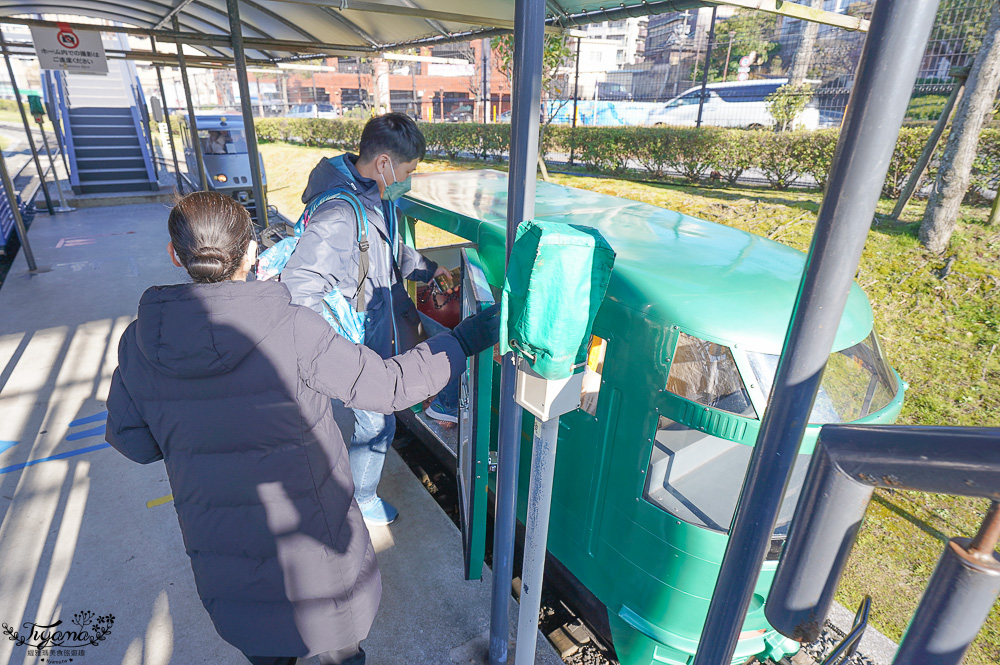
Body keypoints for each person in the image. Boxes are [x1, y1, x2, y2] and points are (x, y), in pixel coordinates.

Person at [105, 192, 500, 665]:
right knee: (338, 648)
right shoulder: (294, 328)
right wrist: (466, 337)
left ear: (175, 254)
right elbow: (390, 387)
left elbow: (134, 441)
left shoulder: (139, 341)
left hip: (225, 556)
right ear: (253, 253)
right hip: (319, 553)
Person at [280, 112, 456, 527]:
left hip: (377, 331)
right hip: (355, 345)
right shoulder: (339, 215)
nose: (409, 178)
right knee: (376, 423)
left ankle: (364, 491)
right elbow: (297, 290)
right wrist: (328, 353)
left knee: (382, 416)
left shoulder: (376, 200)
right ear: (383, 164)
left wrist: (429, 269)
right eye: (409, 170)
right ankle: (361, 499)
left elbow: (388, 252)